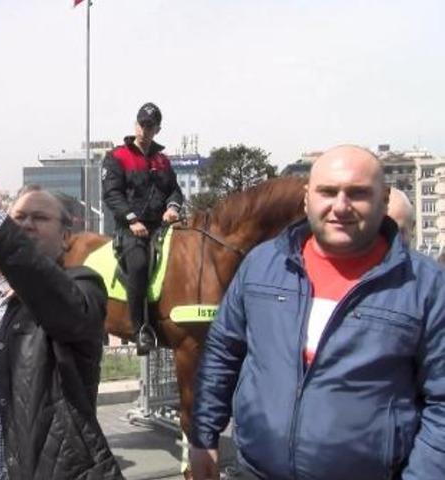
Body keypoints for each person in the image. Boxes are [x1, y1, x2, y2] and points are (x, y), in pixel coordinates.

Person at [190, 145, 445, 479]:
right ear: (307, 198)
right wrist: (203, 435)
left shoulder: (426, 285)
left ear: (384, 200)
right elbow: (223, 353)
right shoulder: (261, 265)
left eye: (358, 193)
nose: (341, 205)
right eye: (328, 191)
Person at [0, 176, 123, 479]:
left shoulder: (82, 286)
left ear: (66, 237)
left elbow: (58, 303)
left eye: (39, 218)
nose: (25, 225)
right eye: (18, 218)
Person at [102, 102, 183, 354]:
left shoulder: (162, 160)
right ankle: (140, 330)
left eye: (150, 126)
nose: (144, 129)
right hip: (131, 229)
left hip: (162, 227)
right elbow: (112, 194)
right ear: (136, 124)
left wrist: (173, 207)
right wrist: (131, 220)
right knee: (138, 264)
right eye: (141, 124)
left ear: (157, 129)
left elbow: (174, 190)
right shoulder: (117, 157)